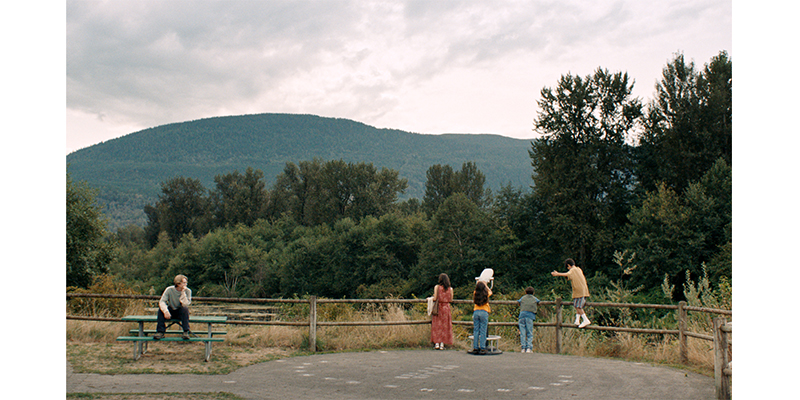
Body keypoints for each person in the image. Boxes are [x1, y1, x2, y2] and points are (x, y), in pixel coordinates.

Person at [551, 258, 591, 328]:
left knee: (578, 306)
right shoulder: (578, 269)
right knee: (576, 305)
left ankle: (585, 320)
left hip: (579, 291)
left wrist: (557, 274)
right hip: (582, 290)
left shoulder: (573, 270)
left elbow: (567, 274)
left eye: (568, 267)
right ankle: (577, 320)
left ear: (569, 265)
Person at [154, 274, 192, 340]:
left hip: (180, 311)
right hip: (171, 309)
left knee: (185, 309)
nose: (186, 284)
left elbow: (185, 304)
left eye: (186, 282)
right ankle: (160, 332)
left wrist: (183, 293)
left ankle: (186, 331)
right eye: (184, 283)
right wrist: (165, 311)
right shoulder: (169, 290)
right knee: (160, 310)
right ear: (178, 283)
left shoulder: (188, 291)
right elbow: (162, 301)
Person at [430, 273, 453, 350]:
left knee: (437, 325)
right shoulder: (450, 289)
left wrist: (429, 299)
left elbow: (435, 298)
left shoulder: (437, 287)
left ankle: (437, 343)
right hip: (446, 307)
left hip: (439, 307)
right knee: (445, 326)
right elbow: (450, 299)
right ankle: (442, 344)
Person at [471, 280, 492, 354]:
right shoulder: (486, 293)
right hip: (484, 311)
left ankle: (475, 347)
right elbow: (490, 292)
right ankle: (482, 347)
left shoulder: (475, 293)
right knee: (483, 330)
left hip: (476, 311)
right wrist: (486, 285)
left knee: (476, 330)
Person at [517, 286, 540, 353]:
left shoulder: (523, 297)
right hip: (530, 316)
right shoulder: (534, 298)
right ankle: (529, 348)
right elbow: (538, 301)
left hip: (522, 315)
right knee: (529, 332)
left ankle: (523, 348)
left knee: (522, 332)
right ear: (533, 293)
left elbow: (519, 301)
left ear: (525, 292)